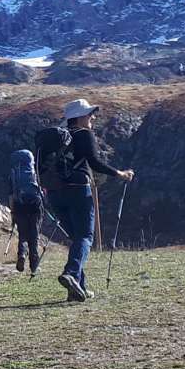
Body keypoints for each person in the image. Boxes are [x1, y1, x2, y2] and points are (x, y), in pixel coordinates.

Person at [45, 99, 133, 303]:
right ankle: (70, 273)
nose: (92, 117)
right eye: (89, 114)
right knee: (85, 237)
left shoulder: (56, 138)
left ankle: (78, 289)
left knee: (76, 239)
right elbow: (94, 162)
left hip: (54, 193)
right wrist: (120, 174)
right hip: (77, 190)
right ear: (79, 117)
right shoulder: (83, 134)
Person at [8, 146, 44, 274]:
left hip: (20, 205)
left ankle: (22, 255)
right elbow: (41, 189)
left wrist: (13, 212)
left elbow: (11, 195)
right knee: (34, 235)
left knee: (23, 234)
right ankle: (34, 265)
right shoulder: (34, 172)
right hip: (35, 205)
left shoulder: (13, 174)